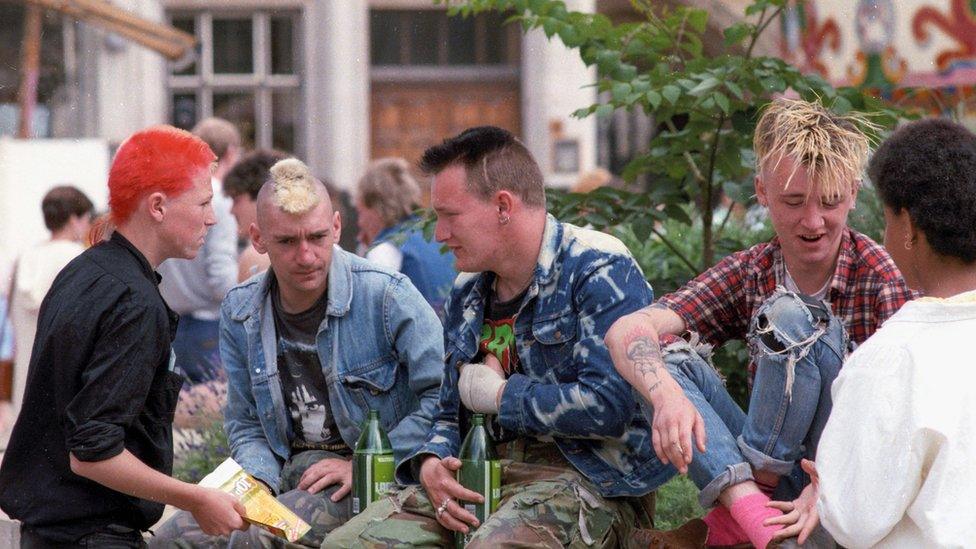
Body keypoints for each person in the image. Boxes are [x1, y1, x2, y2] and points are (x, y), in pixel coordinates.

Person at [324, 126, 661, 548]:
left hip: (591, 481)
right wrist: (430, 462)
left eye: (450, 215)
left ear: (503, 206)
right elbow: (448, 412)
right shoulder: (468, 290)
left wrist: (503, 398)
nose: (440, 234)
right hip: (483, 477)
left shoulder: (597, 266)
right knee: (347, 545)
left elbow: (611, 406)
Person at [604, 98, 914, 548]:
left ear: (851, 193)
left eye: (829, 202)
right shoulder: (752, 270)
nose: (813, 221)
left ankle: (741, 527)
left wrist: (829, 483)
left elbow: (905, 409)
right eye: (793, 201)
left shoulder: (880, 276)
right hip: (762, 488)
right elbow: (626, 330)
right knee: (665, 357)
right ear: (763, 192)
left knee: (788, 315)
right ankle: (751, 512)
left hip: (843, 487)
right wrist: (666, 395)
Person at [150, 158, 444, 548]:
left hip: (373, 481)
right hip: (286, 473)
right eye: (287, 241)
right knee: (172, 538)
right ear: (258, 239)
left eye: (317, 237)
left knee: (253, 539)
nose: (306, 256)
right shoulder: (241, 310)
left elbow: (444, 398)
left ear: (337, 228)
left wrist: (365, 463)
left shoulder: (387, 295)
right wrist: (255, 482)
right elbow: (246, 420)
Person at [0, 125, 248, 547]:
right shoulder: (134, 301)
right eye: (204, 202)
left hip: (50, 531)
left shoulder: (84, 270)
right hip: (92, 533)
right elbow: (92, 452)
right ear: (157, 206)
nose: (210, 217)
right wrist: (197, 499)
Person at [774, 118, 976, 547]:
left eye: (885, 219)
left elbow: (854, 519)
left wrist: (828, 482)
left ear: (907, 227)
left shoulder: (894, 356)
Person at [159, 117, 241, 384]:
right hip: (210, 324)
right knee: (215, 419)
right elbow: (221, 275)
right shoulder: (221, 199)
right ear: (230, 153)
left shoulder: (173, 193)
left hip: (173, 322)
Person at [7, 186, 93, 422]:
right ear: (74, 219)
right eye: (86, 219)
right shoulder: (78, 257)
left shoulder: (25, 256)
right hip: (63, 378)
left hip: (24, 376)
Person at [354, 157, 457, 317]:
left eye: (360, 213)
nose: (359, 223)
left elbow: (369, 319)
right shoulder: (441, 236)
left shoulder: (384, 252)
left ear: (376, 209)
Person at [221, 148, 291, 282]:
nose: (231, 210)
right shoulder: (324, 249)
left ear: (262, 197)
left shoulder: (258, 256)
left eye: (236, 200)